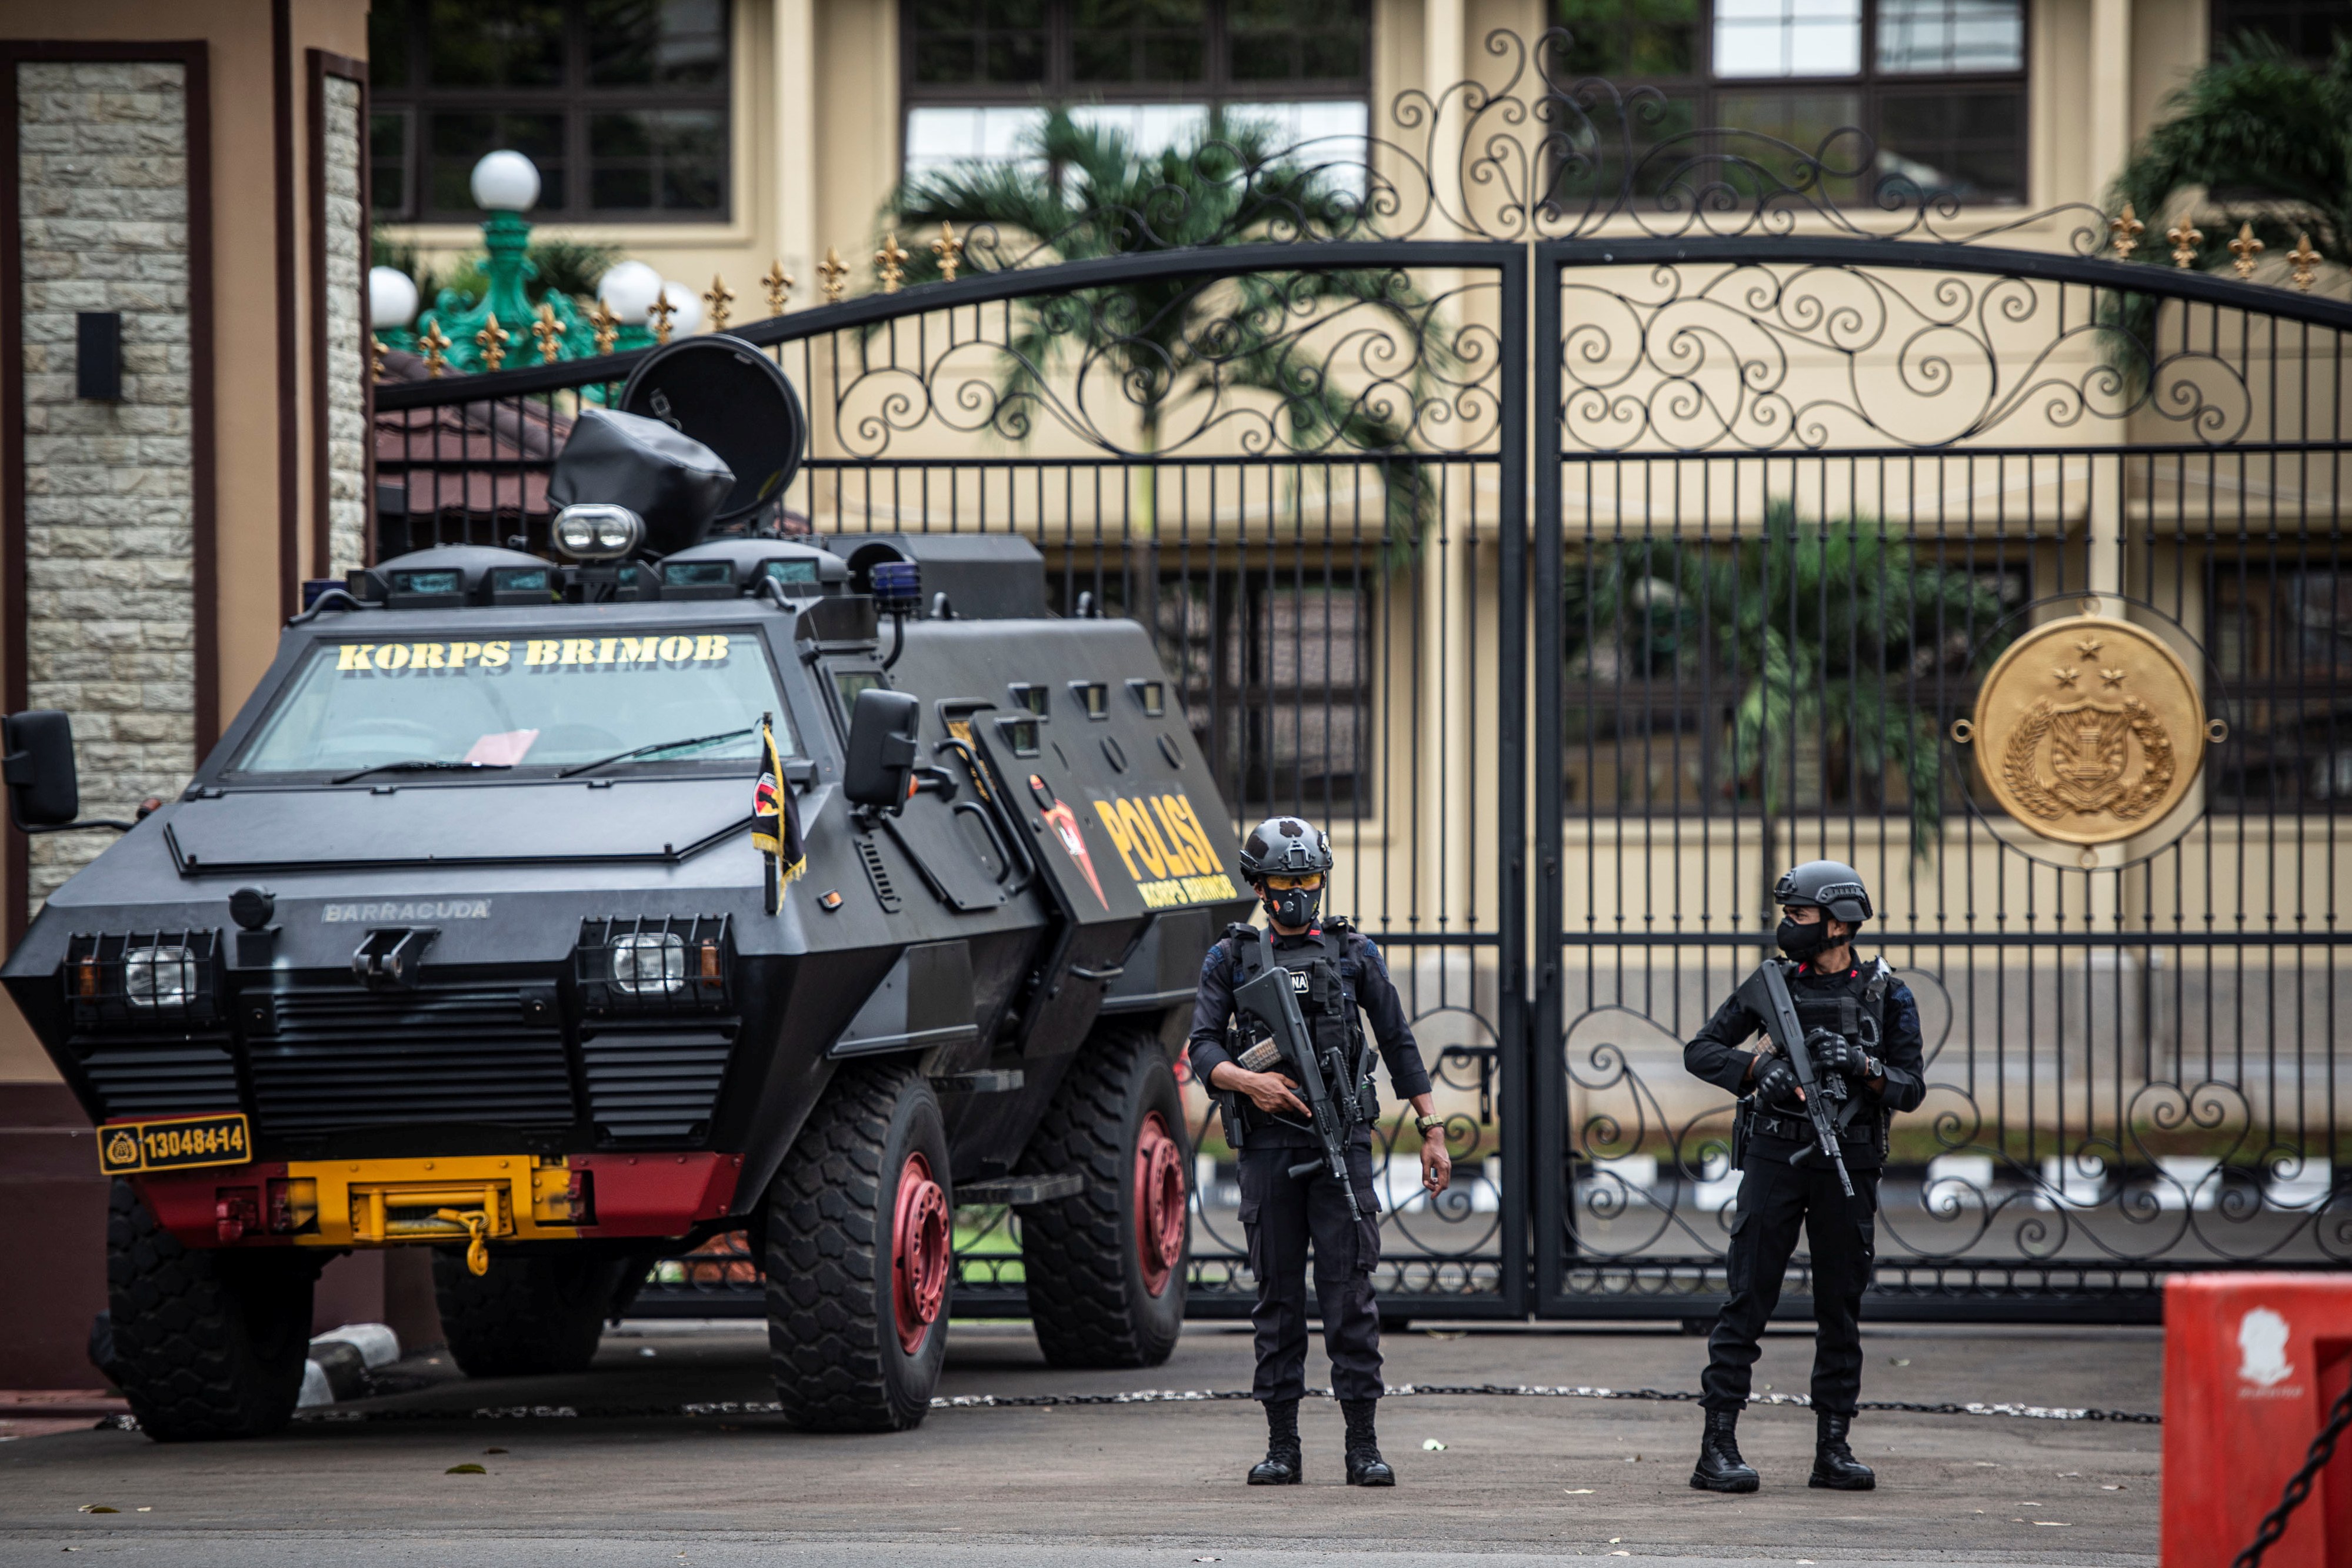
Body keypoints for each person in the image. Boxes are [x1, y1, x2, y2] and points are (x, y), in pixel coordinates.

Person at [1188, 815, 1452, 1487]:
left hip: (1343, 1142)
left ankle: (1361, 1445)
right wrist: (1248, 1081)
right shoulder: (1230, 957)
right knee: (1277, 1297)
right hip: (1268, 1146)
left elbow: (1396, 1040)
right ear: (1259, 885)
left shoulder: (1352, 952)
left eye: (1308, 879)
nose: (1297, 893)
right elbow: (1201, 1047)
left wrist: (1431, 1127)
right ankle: (1282, 1446)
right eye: (1284, 881)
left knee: (1349, 1295)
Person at [1682, 860, 1925, 1494]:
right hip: (1773, 1155)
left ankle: (1832, 1447)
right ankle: (1717, 1445)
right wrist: (1751, 1071)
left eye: (1798, 915)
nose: (1787, 926)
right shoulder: (1772, 985)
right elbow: (1701, 1049)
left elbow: (1910, 1088)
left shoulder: (1885, 992)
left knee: (1839, 1304)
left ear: (1839, 922)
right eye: (1786, 914)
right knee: (1747, 1296)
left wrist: (1864, 1064)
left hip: (1849, 1159)